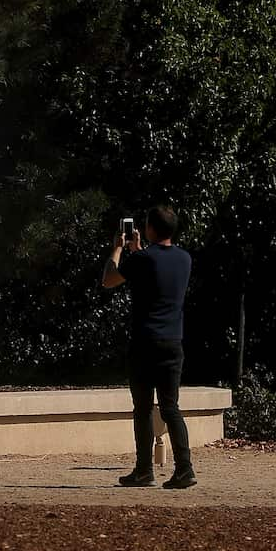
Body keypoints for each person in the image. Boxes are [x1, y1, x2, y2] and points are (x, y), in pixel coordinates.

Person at [102, 204, 197, 489]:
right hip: (173, 342)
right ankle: (185, 469)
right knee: (171, 407)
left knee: (142, 408)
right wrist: (139, 252)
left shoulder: (142, 259)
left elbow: (109, 280)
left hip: (145, 343)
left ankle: (144, 470)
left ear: (150, 229)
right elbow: (154, 274)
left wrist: (117, 249)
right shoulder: (184, 259)